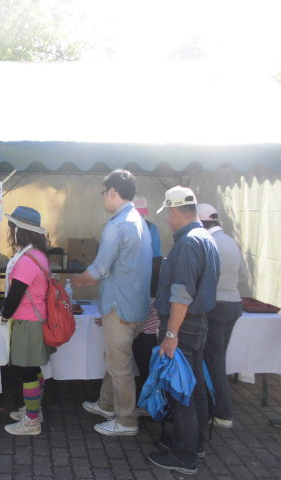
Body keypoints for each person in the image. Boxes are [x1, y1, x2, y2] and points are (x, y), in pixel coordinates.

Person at [72, 169, 152, 436]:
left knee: (120, 366)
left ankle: (126, 420)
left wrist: (76, 281)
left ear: (112, 192)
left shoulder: (117, 226)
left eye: (103, 193)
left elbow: (99, 270)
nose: (103, 198)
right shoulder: (139, 222)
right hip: (135, 305)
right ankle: (106, 403)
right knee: (115, 358)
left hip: (120, 307)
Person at [148, 187, 220, 475]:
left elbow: (181, 294)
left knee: (181, 390)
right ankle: (194, 443)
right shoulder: (206, 238)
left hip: (182, 325)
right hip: (198, 323)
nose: (167, 219)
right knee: (196, 387)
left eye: (168, 213)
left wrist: (171, 334)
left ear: (175, 211)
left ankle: (184, 456)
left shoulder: (188, 243)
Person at [0, 206, 53, 436]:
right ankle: (34, 411)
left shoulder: (27, 260)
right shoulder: (38, 255)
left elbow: (15, 295)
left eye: (12, 227)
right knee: (32, 367)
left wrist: (4, 317)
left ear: (19, 230)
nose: (9, 232)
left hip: (27, 322)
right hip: (34, 319)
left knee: (26, 370)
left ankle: (32, 421)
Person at [197, 202, 246, 429]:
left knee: (213, 360)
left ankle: (222, 412)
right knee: (217, 358)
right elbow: (242, 273)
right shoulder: (230, 241)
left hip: (216, 305)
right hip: (233, 303)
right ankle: (216, 407)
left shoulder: (207, 242)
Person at [132, 194, 163, 395]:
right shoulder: (152, 228)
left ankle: (147, 391)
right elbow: (157, 260)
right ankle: (147, 389)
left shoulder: (124, 228)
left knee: (142, 342)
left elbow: (156, 262)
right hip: (148, 294)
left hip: (141, 295)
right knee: (144, 339)